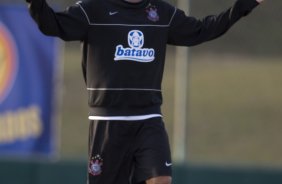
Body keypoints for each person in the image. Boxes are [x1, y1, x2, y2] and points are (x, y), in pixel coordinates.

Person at [25, 0, 264, 183]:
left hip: (148, 119)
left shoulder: (161, 13)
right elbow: (51, 24)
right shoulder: (92, 9)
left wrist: (243, 5)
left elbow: (202, 30)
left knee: (161, 178)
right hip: (107, 121)